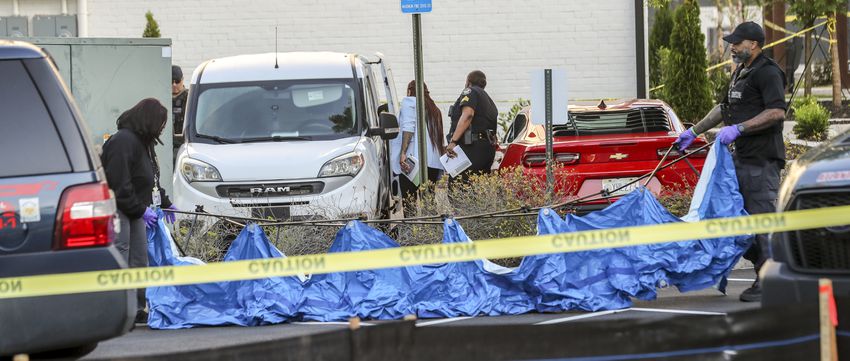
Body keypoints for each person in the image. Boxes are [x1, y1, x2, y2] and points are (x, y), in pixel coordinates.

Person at [677, 21, 786, 303]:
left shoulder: (768, 72)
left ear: (754, 44)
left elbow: (776, 113)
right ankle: (768, 272)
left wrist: (740, 128)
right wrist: (693, 131)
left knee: (761, 221)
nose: (733, 46)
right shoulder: (740, 72)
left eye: (738, 42)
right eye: (732, 42)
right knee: (737, 220)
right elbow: (723, 108)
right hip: (741, 159)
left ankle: (768, 281)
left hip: (762, 162)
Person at [101, 98, 178, 323]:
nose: (162, 129)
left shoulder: (145, 142)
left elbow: (149, 179)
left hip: (135, 210)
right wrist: (139, 209)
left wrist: (164, 201)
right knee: (122, 256)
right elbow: (119, 184)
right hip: (120, 210)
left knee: (138, 259)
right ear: (149, 120)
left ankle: (136, 308)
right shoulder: (123, 142)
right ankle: (117, 310)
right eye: (160, 124)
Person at [391, 81, 446, 204]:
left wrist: (403, 153)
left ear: (410, 91)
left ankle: (412, 224)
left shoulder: (410, 102)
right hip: (432, 164)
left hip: (413, 162)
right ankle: (429, 223)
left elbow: (408, 128)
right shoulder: (434, 109)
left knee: (408, 201)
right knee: (428, 202)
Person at [445, 70, 498, 182]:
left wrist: (453, 141)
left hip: (470, 148)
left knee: (457, 187)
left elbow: (468, 114)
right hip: (487, 150)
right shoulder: (489, 100)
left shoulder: (470, 91)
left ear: (468, 82)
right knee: (476, 189)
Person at [172, 65, 188, 157]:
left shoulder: (189, 97)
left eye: (177, 81)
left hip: (184, 145)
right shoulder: (162, 97)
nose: (174, 85)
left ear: (182, 80)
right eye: (171, 81)